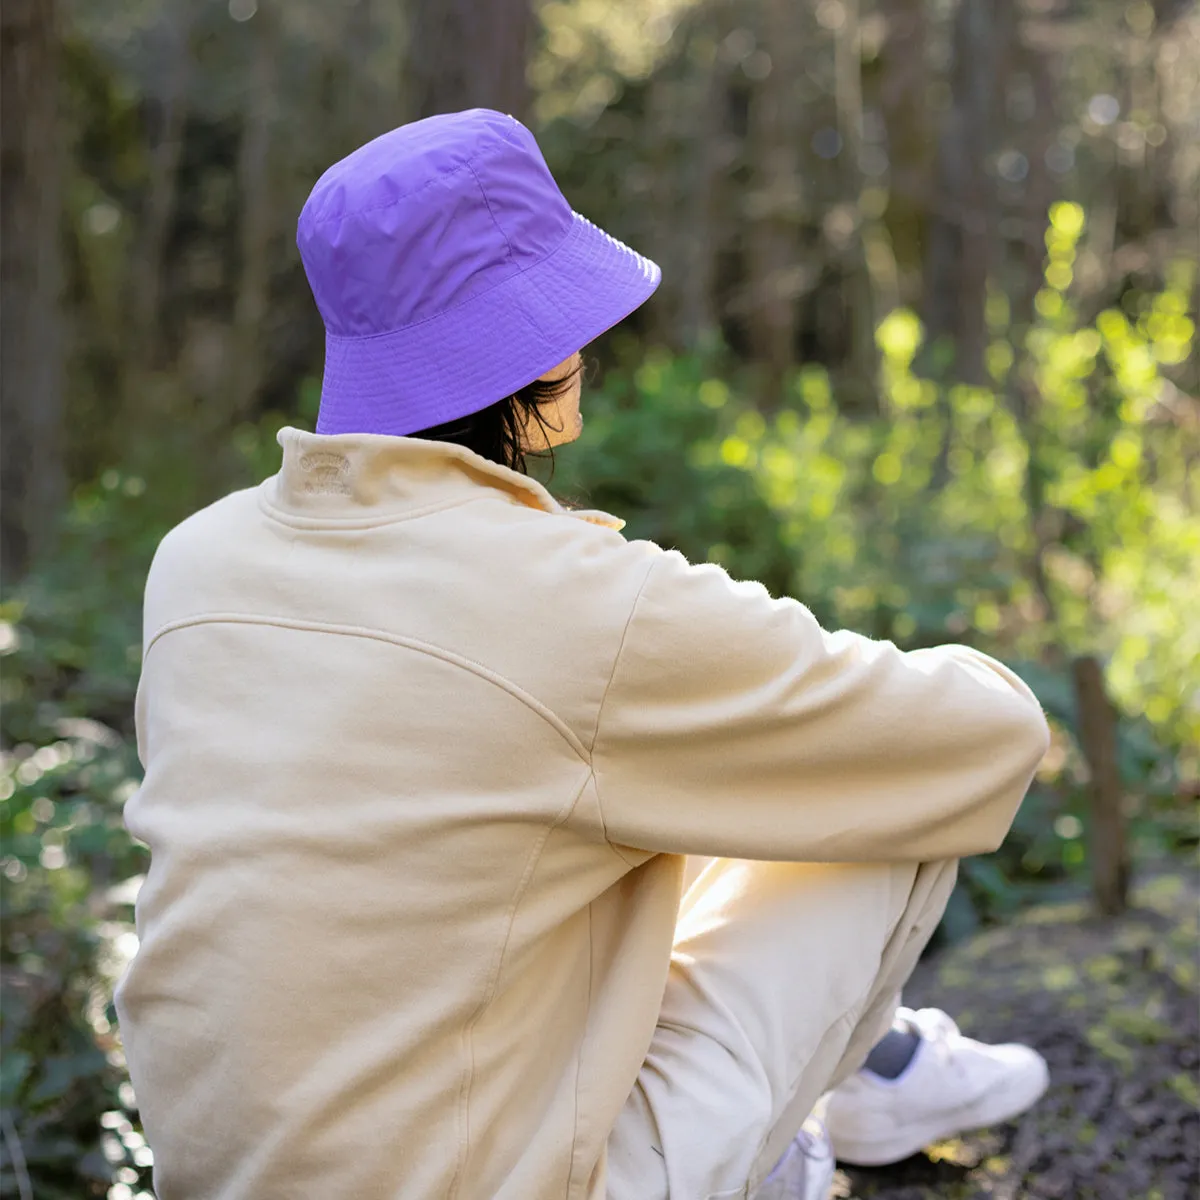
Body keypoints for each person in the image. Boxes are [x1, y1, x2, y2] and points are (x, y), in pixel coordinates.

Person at [114, 109, 1051, 1200]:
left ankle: (879, 1065)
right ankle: (825, 1124)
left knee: (614, 808)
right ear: (543, 346)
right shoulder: (578, 601)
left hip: (221, 1177)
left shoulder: (196, 565)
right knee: (880, 785)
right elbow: (984, 740)